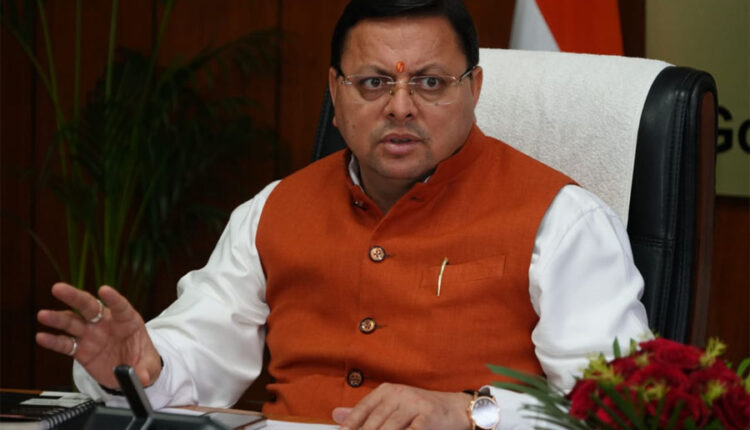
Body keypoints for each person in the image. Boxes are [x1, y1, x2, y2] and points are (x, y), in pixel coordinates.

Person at [35, 0, 650, 429]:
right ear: (335, 92)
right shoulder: (273, 210)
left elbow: (621, 409)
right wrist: (140, 366)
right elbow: (194, 357)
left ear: (475, 88)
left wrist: (471, 413)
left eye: (431, 83)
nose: (401, 107)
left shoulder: (562, 221)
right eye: (374, 83)